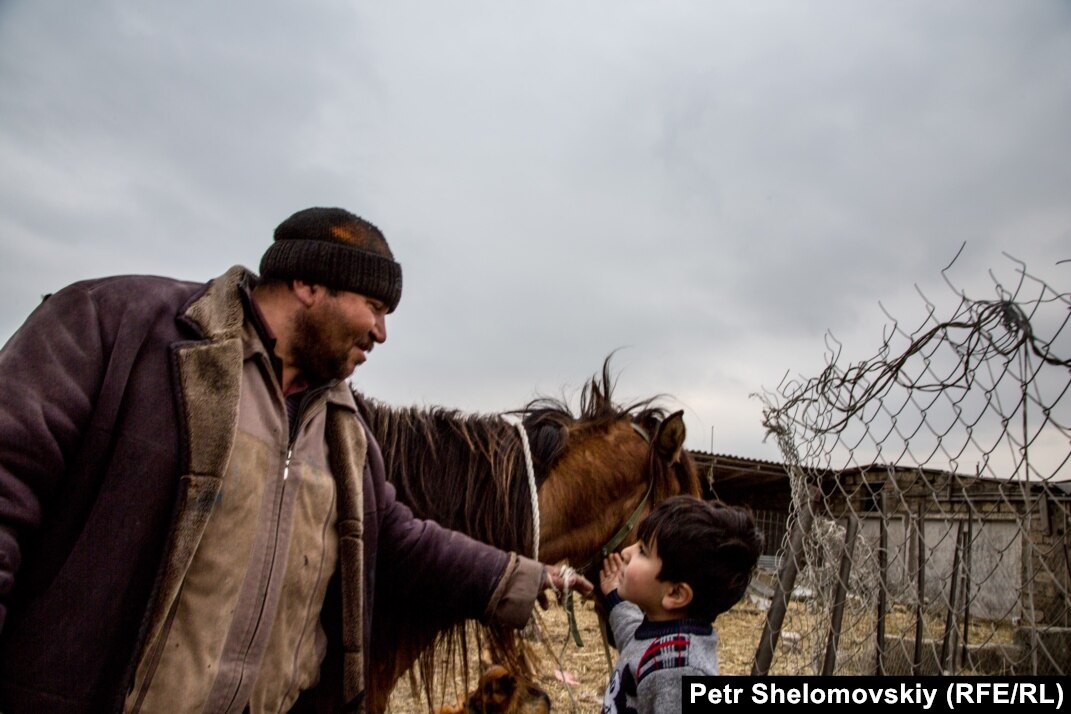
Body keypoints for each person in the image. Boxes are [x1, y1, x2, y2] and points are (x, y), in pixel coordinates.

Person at [0, 207, 591, 713]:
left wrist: (527, 578)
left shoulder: (343, 431)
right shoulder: (117, 327)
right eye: (374, 305)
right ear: (310, 285)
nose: (382, 332)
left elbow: (400, 538)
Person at [598, 496, 763, 714]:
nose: (627, 553)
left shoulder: (679, 672)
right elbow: (633, 639)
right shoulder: (659, 632)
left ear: (676, 593)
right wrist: (614, 597)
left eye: (643, 551)